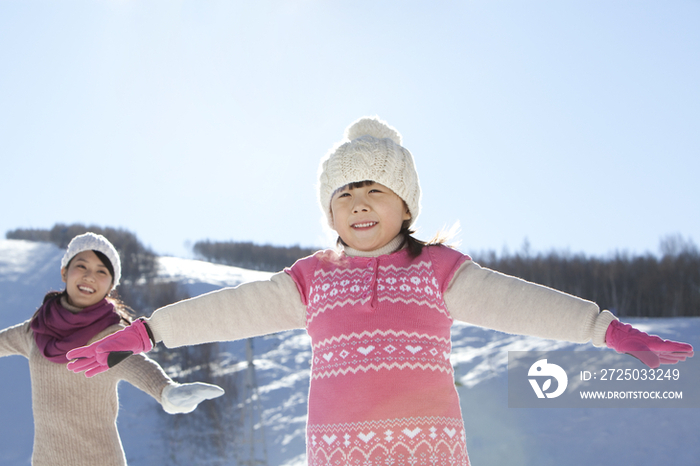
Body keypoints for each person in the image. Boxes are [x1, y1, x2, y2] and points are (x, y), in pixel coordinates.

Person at [67, 118, 693, 466]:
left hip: (430, 449)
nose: (360, 205)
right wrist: (147, 333)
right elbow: (231, 310)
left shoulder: (439, 271)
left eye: (375, 192)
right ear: (329, 213)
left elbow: (522, 301)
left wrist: (605, 328)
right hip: (338, 453)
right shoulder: (312, 279)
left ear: (406, 206)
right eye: (345, 195)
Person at [0, 232, 224, 466]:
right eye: (82, 266)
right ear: (64, 272)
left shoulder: (111, 335)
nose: (90, 277)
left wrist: (167, 392)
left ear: (110, 285)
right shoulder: (36, 330)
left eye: (101, 271)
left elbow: (140, 367)